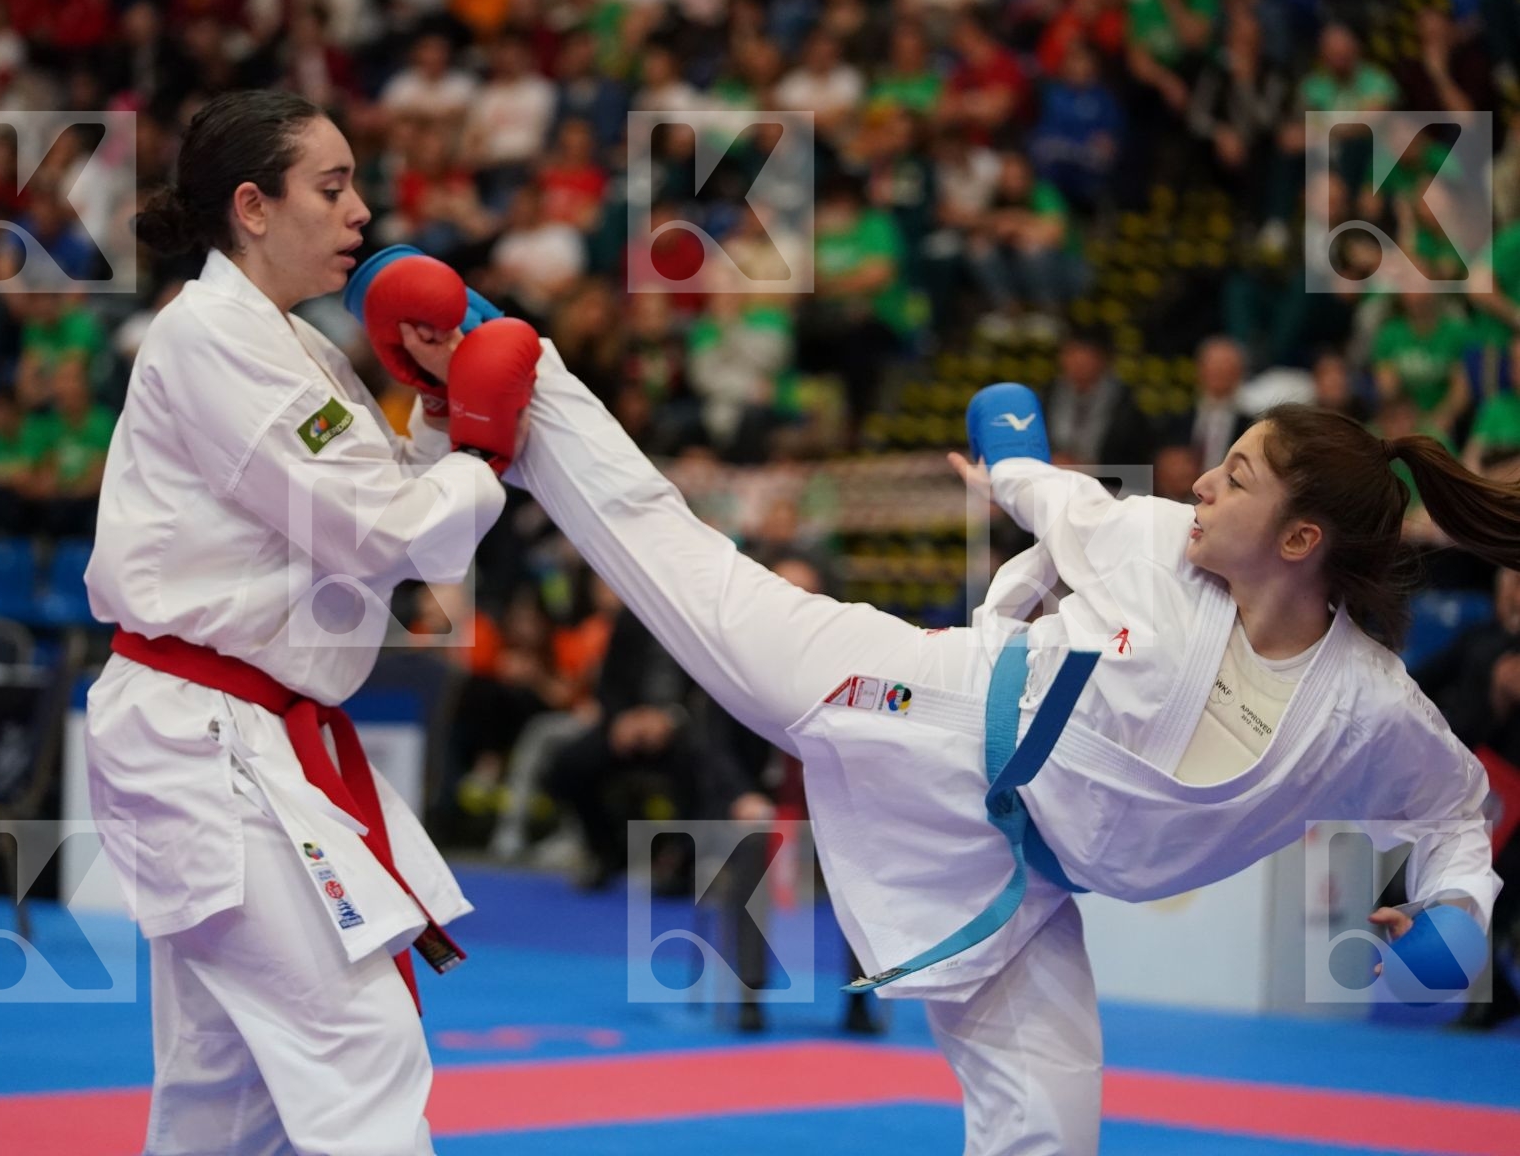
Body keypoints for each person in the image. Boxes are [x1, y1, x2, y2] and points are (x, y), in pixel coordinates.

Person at [386, 274, 1510, 1156]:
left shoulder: (1366, 709)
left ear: (1300, 539)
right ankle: (519, 376)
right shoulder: (1156, 542)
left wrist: (1454, 916)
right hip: (926, 706)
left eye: (1237, 475)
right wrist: (1011, 451)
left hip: (1023, 889)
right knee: (696, 578)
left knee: (1049, 1134)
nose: (1203, 485)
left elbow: (1454, 810)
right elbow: (1055, 494)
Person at [82, 91, 530, 1156]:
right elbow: (382, 535)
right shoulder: (209, 340)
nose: (362, 213)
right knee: (355, 1045)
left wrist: (431, 415)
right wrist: (479, 452)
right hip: (207, 738)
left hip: (249, 737)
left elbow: (415, 543)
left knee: (224, 1099)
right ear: (251, 206)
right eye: (332, 188)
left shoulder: (302, 351)